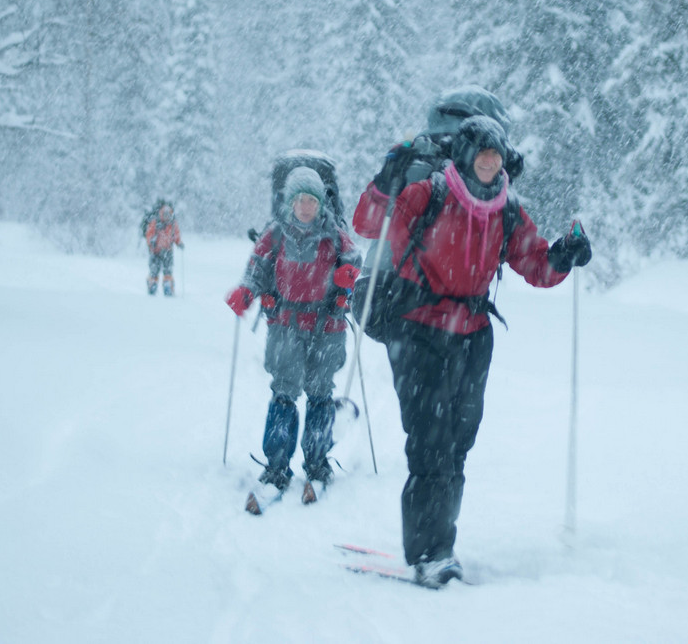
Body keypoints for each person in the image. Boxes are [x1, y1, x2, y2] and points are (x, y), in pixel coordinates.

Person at [353, 108, 592, 588]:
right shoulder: (431, 192)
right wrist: (388, 178)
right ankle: (430, 552)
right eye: (482, 156)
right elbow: (369, 223)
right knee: (430, 444)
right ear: (463, 155)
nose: (488, 164)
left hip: (472, 334)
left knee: (458, 445)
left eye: (495, 157)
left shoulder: (505, 208)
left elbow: (534, 263)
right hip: (417, 329)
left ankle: (444, 543)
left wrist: (563, 253)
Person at [225, 166, 362, 509]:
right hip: (285, 325)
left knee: (319, 395)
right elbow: (256, 268)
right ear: (290, 201)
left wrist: (348, 280)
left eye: (312, 200)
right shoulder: (274, 234)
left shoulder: (335, 235)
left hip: (326, 327)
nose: (305, 206)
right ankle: (276, 467)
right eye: (300, 199)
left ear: (320, 203)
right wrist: (247, 291)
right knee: (284, 394)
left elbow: (357, 268)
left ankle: (317, 464)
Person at [144, 200, 183, 296]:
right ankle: (152, 285)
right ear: (161, 214)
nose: (166, 217)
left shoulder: (173, 224)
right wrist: (151, 242)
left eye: (168, 215)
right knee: (154, 271)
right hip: (155, 251)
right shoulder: (155, 222)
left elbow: (176, 236)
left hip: (168, 251)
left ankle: (168, 286)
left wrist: (179, 243)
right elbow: (149, 234)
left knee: (168, 270)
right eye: (165, 214)